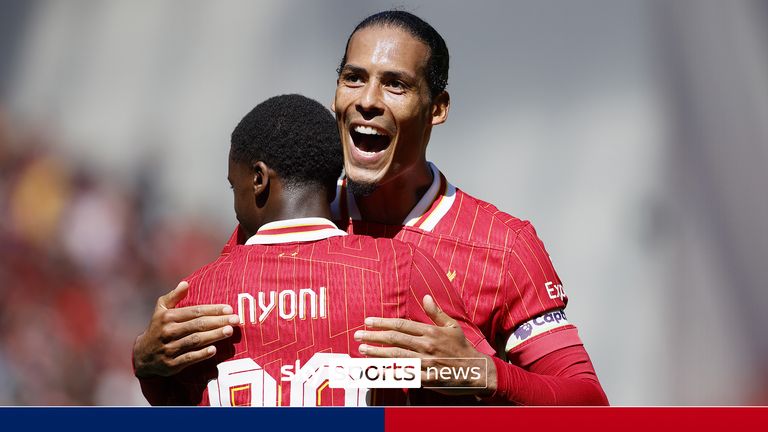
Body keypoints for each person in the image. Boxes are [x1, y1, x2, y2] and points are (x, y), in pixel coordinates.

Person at [133, 11, 608, 405]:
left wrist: (487, 375)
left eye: (395, 85)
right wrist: (149, 360)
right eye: (353, 78)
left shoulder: (501, 246)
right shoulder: (285, 223)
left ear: (437, 107)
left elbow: (589, 404)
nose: (367, 101)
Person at [136, 94, 493, 406]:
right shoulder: (400, 268)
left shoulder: (197, 297)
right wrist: (475, 373)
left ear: (258, 179)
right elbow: (496, 388)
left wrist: (143, 364)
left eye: (235, 185)